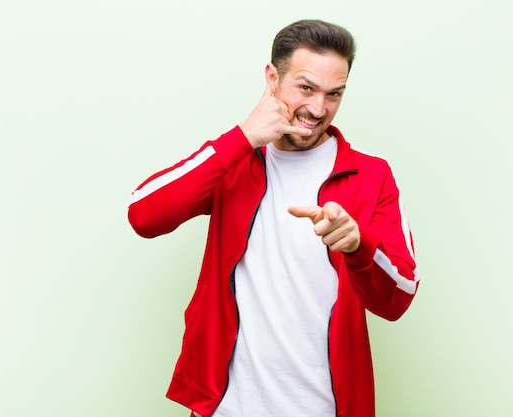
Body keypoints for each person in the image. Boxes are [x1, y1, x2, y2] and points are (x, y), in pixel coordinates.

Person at [128, 19, 419, 417]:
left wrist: (358, 245)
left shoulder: (372, 176)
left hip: (323, 408)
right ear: (272, 78)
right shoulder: (235, 161)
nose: (318, 109)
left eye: (335, 94)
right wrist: (243, 136)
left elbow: (399, 298)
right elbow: (144, 215)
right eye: (306, 88)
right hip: (226, 408)